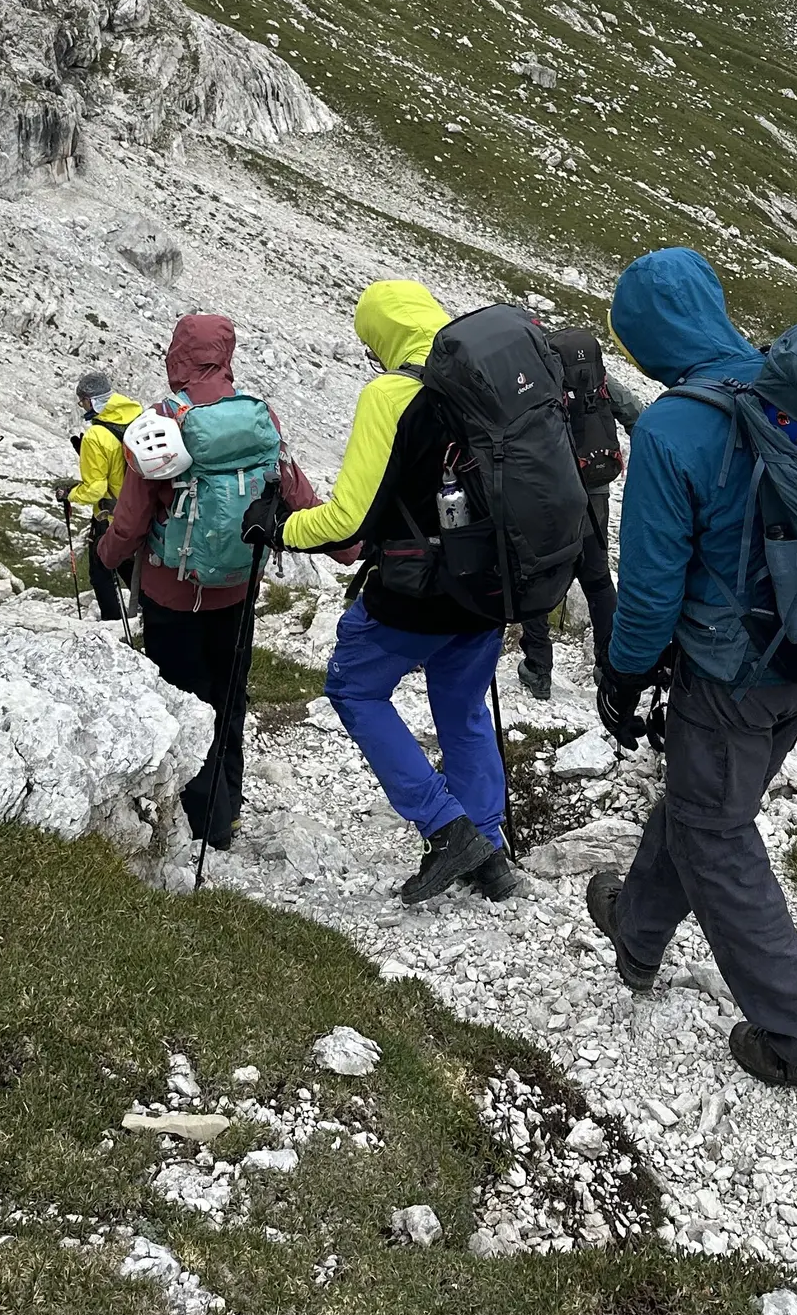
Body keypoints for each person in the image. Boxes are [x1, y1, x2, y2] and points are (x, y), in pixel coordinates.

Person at [587, 247, 797, 1099]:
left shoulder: (675, 425)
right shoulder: (795, 386)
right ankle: (636, 932)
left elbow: (652, 589)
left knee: (716, 831)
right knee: (708, 800)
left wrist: (624, 676)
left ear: (646, 340)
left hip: (728, 670)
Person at [254, 279, 515, 907]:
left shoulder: (392, 394)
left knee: (354, 688)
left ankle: (444, 826)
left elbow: (347, 520)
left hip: (415, 591)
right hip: (491, 589)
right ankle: (490, 852)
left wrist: (281, 529)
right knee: (463, 707)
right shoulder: (497, 382)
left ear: (384, 334)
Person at [97, 313, 318, 848]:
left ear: (178, 357)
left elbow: (131, 520)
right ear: (227, 356)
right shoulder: (261, 418)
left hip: (172, 593)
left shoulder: (159, 426)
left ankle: (202, 817)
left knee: (183, 698)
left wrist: (105, 557)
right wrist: (355, 544)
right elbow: (294, 491)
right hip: (238, 589)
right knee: (228, 694)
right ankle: (231, 806)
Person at [515, 369, 642, 701]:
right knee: (598, 577)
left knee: (538, 574)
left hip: (547, 493)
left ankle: (538, 668)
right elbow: (633, 410)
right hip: (594, 490)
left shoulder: (526, 374)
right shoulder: (587, 369)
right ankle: (609, 666)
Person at [56, 366, 141, 620]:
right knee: (128, 563)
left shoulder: (95, 435)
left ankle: (112, 623)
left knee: (100, 570)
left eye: (82, 401)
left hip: (111, 515)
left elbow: (95, 490)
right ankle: (148, 612)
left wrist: (69, 495)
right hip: (139, 509)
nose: (82, 407)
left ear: (91, 400)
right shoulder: (135, 414)